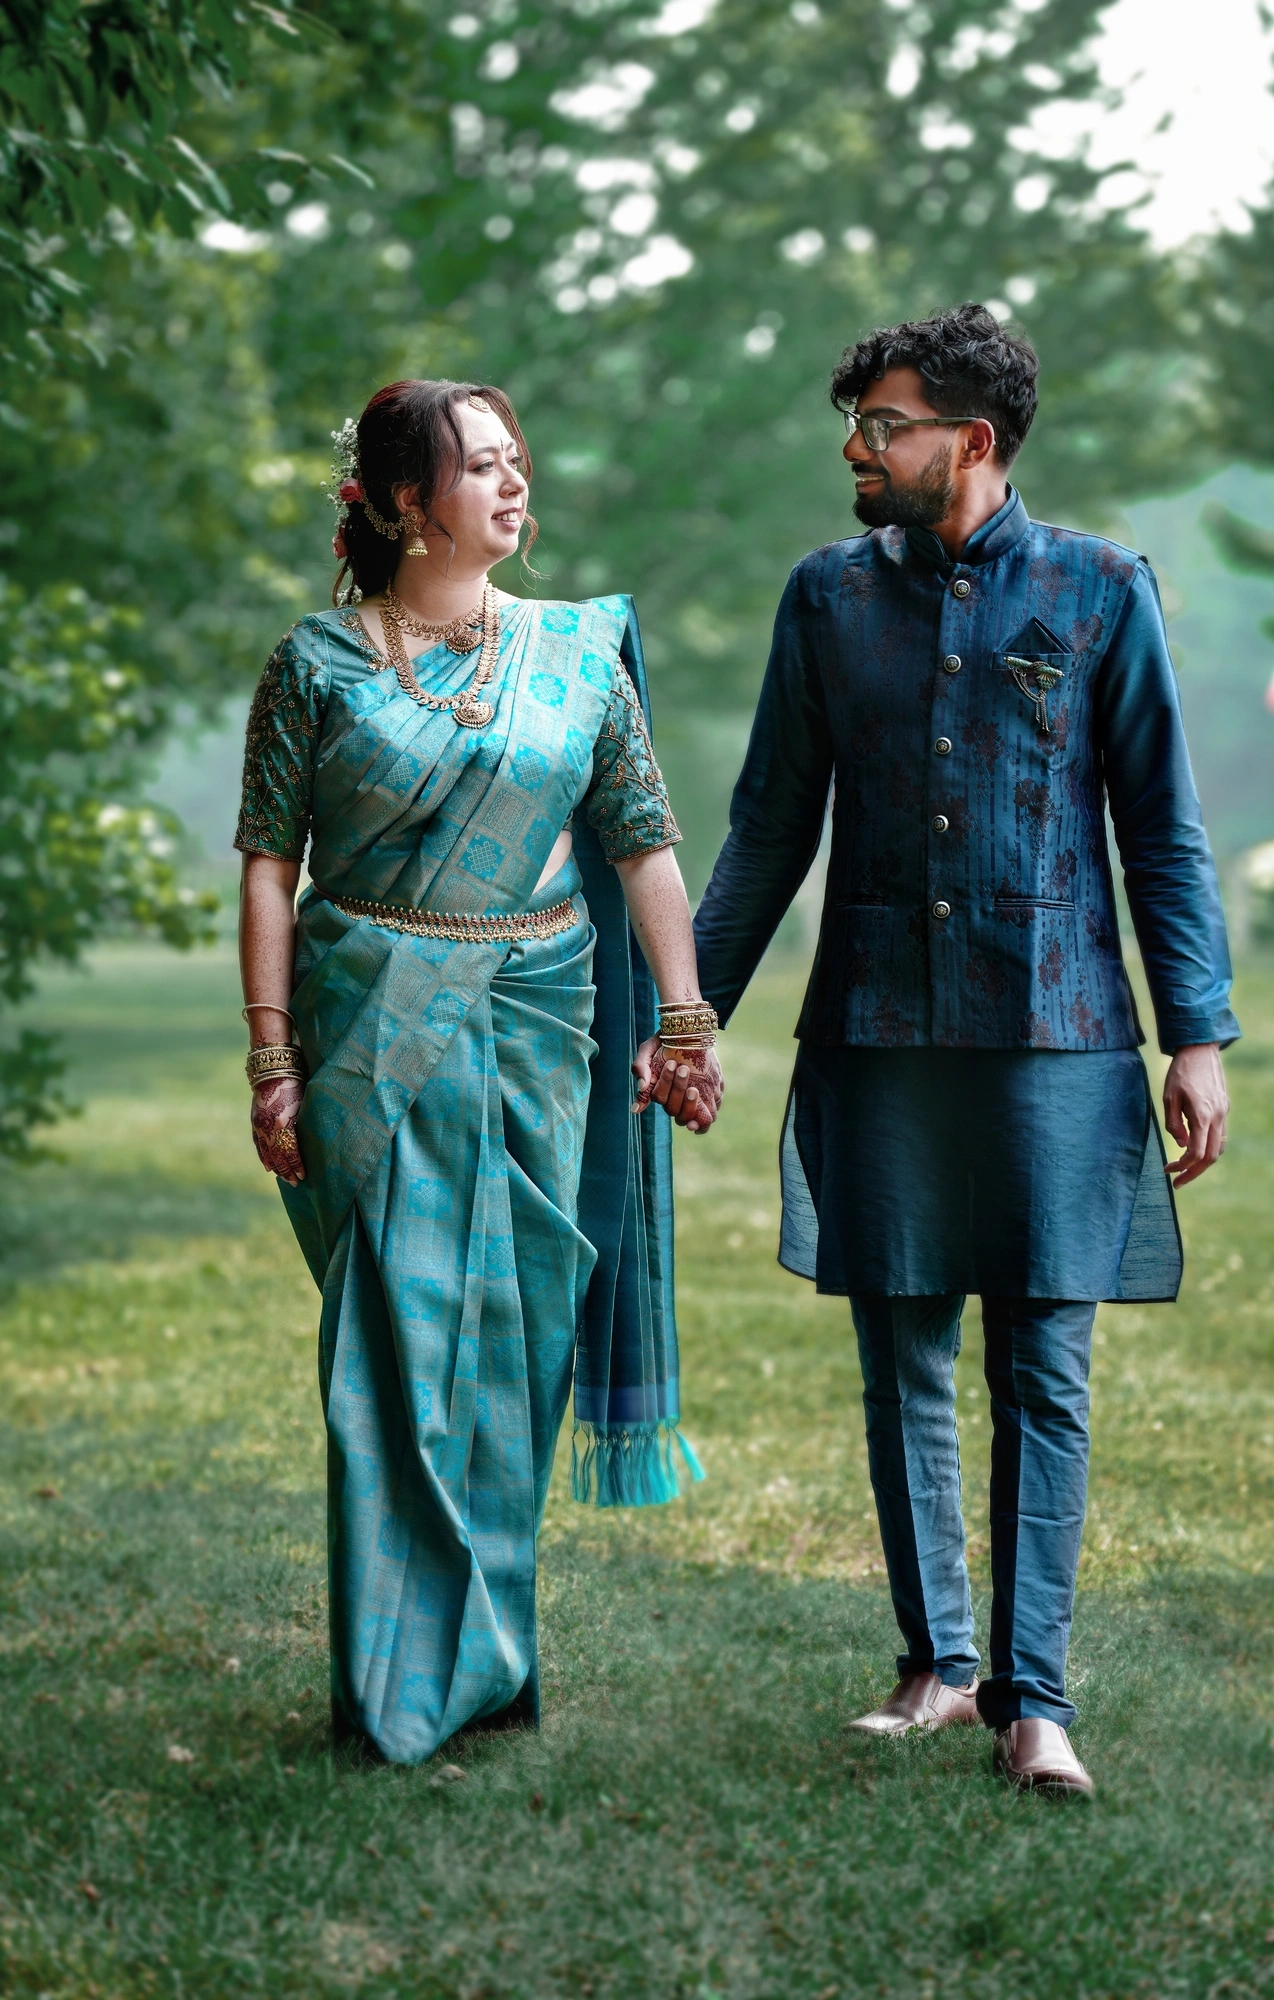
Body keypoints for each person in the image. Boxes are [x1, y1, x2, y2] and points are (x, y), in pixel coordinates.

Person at [691, 304, 1236, 1796]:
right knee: (904, 1355)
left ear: (972, 443)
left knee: (1045, 1369)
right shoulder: (824, 600)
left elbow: (1163, 836)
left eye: (885, 425)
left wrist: (1196, 1034)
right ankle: (936, 1669)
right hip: (876, 1026)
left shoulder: (1102, 589)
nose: (857, 450)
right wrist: (693, 1017)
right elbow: (766, 831)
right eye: (855, 424)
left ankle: (1035, 1700)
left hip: (1056, 1034)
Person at [235, 378, 722, 1766]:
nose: (516, 488)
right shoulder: (317, 666)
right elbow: (272, 868)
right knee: (394, 1345)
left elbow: (643, 849)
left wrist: (684, 1023)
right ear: (402, 502)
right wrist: (271, 1055)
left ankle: (493, 1658)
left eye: (520, 463)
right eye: (483, 468)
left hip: (540, 1024)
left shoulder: (580, 656)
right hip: (372, 1023)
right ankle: (393, 1681)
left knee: (514, 1339)